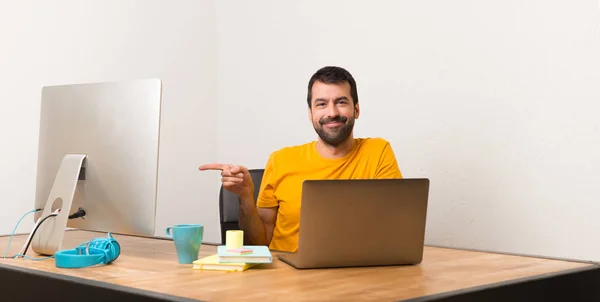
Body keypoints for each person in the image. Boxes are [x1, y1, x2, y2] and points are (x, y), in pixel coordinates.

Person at [199, 66, 402, 252]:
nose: (332, 112)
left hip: (354, 274)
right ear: (311, 113)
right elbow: (258, 244)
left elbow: (395, 228)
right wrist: (245, 197)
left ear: (356, 110)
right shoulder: (281, 160)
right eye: (321, 104)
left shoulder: (378, 151)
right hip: (285, 278)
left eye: (341, 102)